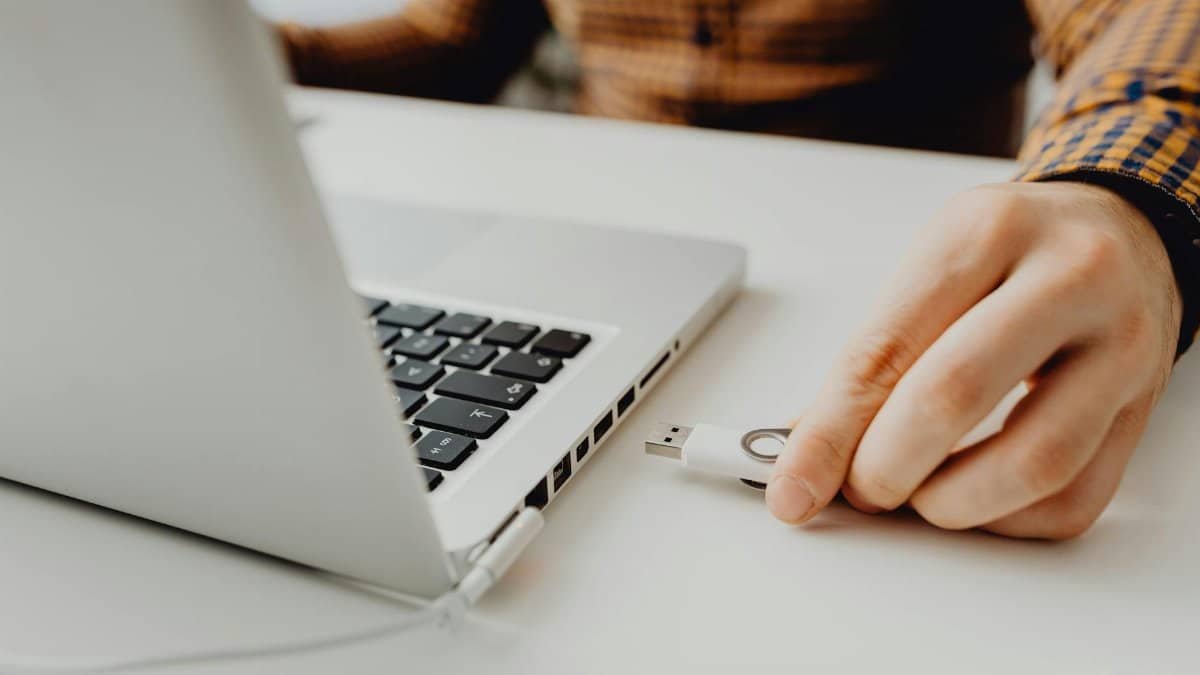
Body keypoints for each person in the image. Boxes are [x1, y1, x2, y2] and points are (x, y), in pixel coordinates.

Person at [278, 1, 1200, 539]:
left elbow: (1150, 21)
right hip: (590, 243)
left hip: (898, 290)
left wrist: (1120, 188)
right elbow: (458, 36)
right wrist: (244, 55)